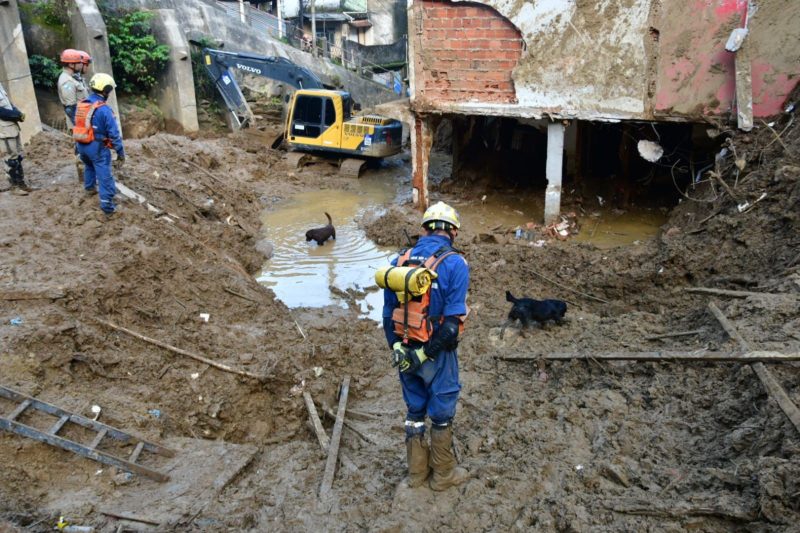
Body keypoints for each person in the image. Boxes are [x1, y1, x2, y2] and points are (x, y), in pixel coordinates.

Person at [381, 201, 470, 491]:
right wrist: (424, 354)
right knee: (441, 412)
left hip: (403, 347)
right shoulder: (454, 263)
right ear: (453, 232)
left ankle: (416, 475)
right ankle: (443, 475)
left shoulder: (399, 261)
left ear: (423, 229)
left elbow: (386, 315)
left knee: (415, 411)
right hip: (435, 354)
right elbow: (451, 326)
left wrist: (397, 349)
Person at [73, 73, 125, 217]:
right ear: (106, 90)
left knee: (89, 166)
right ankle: (107, 206)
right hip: (97, 147)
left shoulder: (82, 104)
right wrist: (120, 153)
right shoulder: (104, 110)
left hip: (82, 144)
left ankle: (89, 189)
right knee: (104, 175)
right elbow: (114, 135)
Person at [0, 81, 30, 195]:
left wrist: (17, 113)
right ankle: (14, 187)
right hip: (4, 130)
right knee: (10, 159)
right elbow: (1, 111)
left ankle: (21, 184)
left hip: (12, 127)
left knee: (17, 156)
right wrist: (16, 115)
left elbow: (8, 104)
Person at [57, 48, 90, 127]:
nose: (81, 64)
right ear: (71, 64)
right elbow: (71, 109)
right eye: (79, 62)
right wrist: (82, 126)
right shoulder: (67, 82)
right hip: (81, 124)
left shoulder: (72, 77)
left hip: (84, 119)